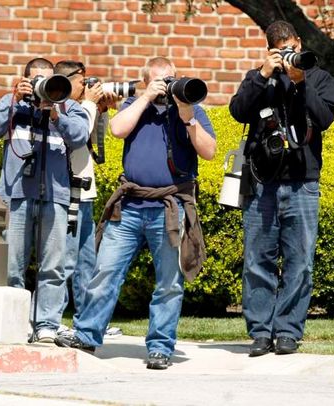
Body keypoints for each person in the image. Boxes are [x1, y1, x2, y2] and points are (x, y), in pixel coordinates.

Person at [56, 57, 217, 370]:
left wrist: (186, 114)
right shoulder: (134, 104)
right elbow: (117, 129)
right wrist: (144, 98)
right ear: (146, 81)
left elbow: (209, 151)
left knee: (169, 283)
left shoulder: (190, 110)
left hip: (170, 208)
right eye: (158, 80)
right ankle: (88, 334)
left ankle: (160, 348)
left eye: (170, 79)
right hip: (129, 207)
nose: (165, 86)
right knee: (105, 272)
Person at [229, 21, 334, 357]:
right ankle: (261, 332)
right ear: (271, 50)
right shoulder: (259, 76)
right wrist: (262, 76)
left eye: (291, 48)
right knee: (257, 261)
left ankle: (288, 331)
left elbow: (323, 119)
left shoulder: (319, 78)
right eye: (281, 51)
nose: (288, 55)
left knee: (300, 262)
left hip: (303, 182)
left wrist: (300, 82)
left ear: (300, 44)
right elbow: (238, 111)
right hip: (263, 183)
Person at [0, 58, 89, 343]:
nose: (42, 86)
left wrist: (56, 114)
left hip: (55, 195)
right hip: (16, 194)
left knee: (53, 266)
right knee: (11, 265)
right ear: (25, 80)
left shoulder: (69, 107)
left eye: (47, 80)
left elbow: (80, 137)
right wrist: (14, 99)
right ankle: (13, 322)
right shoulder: (14, 104)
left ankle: (46, 324)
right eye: (36, 80)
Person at [52, 60, 115, 335]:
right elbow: (76, 137)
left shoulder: (82, 108)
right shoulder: (59, 108)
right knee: (65, 262)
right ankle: (51, 322)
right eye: (82, 80)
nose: (87, 85)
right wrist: (90, 104)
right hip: (69, 195)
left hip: (86, 193)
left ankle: (88, 322)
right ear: (66, 81)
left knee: (88, 263)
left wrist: (100, 110)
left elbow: (91, 140)